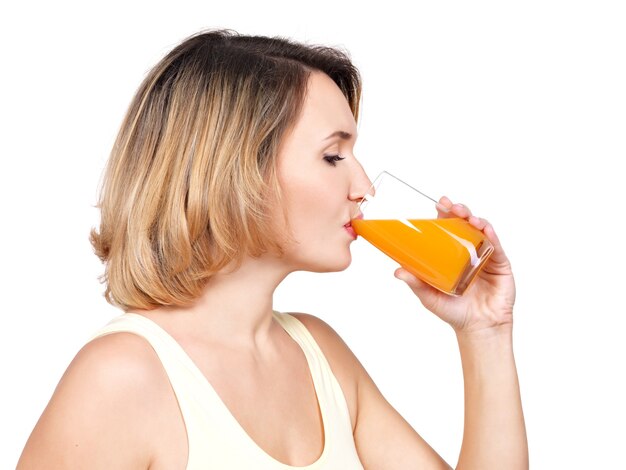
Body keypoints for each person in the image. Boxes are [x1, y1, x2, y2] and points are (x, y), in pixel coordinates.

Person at [17, 29, 528, 469]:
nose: (364, 186)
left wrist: (485, 331)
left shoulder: (320, 353)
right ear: (235, 170)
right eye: (333, 156)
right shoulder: (122, 377)